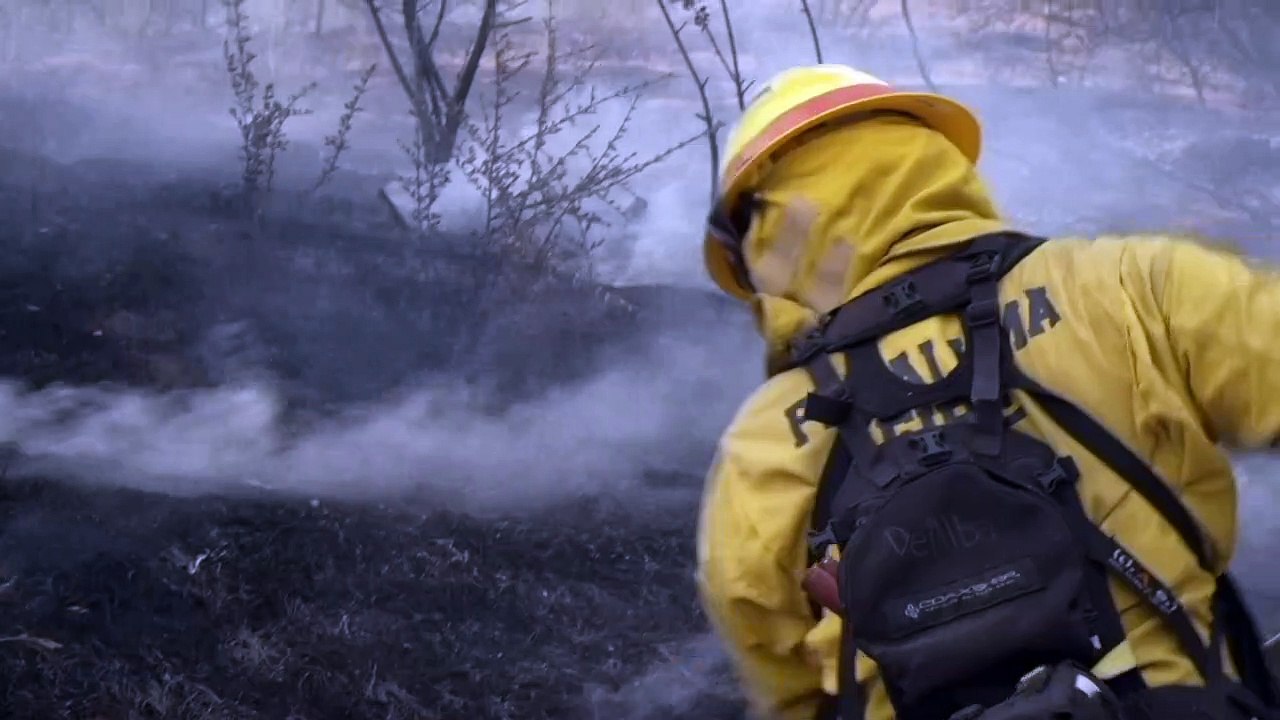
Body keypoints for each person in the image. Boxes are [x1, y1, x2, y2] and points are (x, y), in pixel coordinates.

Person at [693, 64, 1280, 720]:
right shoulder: (1126, 290)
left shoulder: (763, 444)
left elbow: (789, 694)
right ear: (932, 162)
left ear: (761, 245)